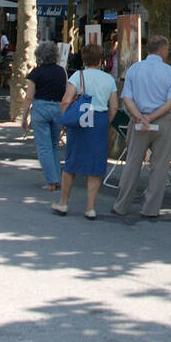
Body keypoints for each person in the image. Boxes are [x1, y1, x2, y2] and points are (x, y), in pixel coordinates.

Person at [111, 35, 171, 219]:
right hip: (164, 121)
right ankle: (151, 208)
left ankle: (121, 205)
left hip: (138, 119)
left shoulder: (135, 69)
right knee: (159, 167)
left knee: (132, 163)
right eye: (167, 49)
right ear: (162, 50)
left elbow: (126, 97)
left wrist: (139, 117)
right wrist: (151, 117)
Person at [54, 44, 118, 220]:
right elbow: (114, 107)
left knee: (71, 161)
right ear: (101, 60)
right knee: (95, 165)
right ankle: (90, 207)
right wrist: (106, 121)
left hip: (81, 119)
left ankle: (64, 202)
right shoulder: (109, 80)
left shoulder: (78, 76)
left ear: (84, 59)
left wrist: (66, 119)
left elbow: (66, 100)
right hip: (100, 121)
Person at [20, 41, 67, 192]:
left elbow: (29, 97)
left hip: (41, 108)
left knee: (44, 147)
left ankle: (51, 181)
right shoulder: (62, 72)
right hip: (57, 108)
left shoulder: (36, 73)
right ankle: (57, 178)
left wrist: (24, 116)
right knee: (53, 145)